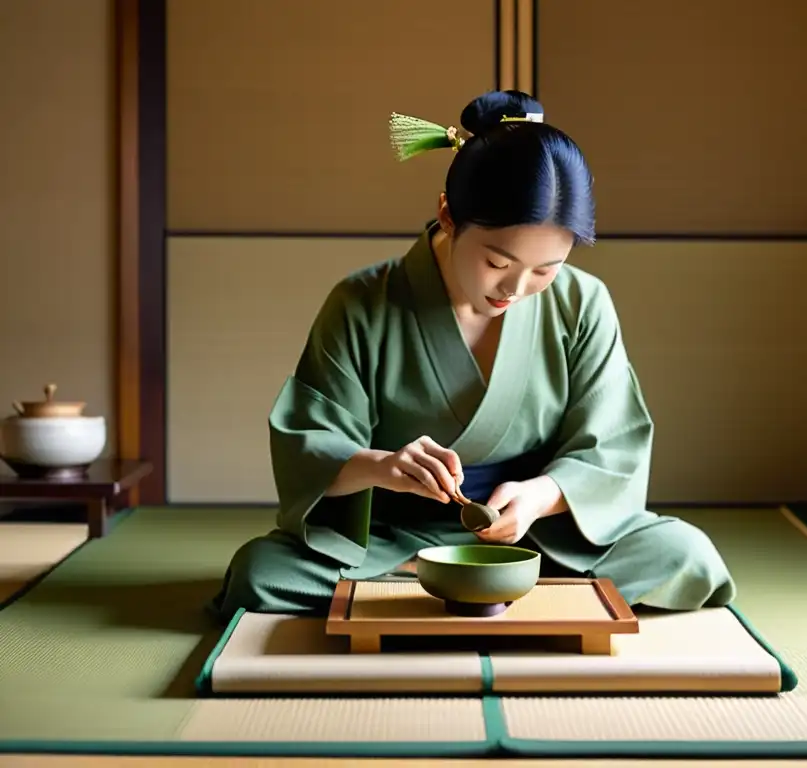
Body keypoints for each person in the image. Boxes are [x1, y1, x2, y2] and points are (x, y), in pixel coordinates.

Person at [207, 90, 737, 623]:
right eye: (496, 261)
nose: (517, 287)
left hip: (538, 535)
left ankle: (440, 591)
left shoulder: (583, 303)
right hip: (391, 540)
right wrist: (387, 466)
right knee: (261, 573)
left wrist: (538, 496)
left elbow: (612, 446)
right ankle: (470, 585)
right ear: (447, 214)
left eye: (545, 269)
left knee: (685, 557)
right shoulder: (363, 303)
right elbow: (312, 442)